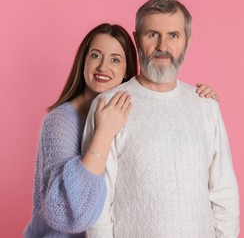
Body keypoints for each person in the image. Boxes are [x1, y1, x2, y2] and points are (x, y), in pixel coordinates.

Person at [24, 23, 220, 237]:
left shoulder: (130, 112)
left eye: (115, 59)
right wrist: (103, 133)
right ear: (83, 61)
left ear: (127, 69)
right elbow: (67, 215)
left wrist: (199, 100)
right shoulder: (61, 122)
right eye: (96, 56)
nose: (103, 67)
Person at [83, 0, 240, 238]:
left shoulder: (206, 107)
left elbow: (223, 192)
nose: (162, 46)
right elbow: (98, 201)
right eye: (153, 34)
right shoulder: (108, 105)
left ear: (187, 40)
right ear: (137, 39)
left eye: (173, 35)